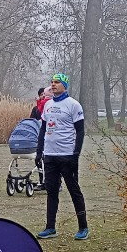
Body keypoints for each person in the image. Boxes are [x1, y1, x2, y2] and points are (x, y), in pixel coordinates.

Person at [35, 73, 89, 240]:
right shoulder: (48, 105)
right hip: (50, 156)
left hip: (67, 155)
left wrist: (76, 154)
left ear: (65, 85)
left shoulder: (73, 105)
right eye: (52, 82)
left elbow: (80, 131)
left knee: (74, 191)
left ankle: (83, 227)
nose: (53, 85)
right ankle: (50, 227)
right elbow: (43, 129)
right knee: (51, 192)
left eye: (57, 82)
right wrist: (39, 151)